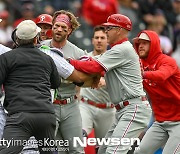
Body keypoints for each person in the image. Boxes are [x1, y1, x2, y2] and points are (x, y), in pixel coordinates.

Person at [69, 14, 152, 154]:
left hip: (133, 109)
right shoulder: (117, 49)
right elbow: (95, 68)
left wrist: (68, 61)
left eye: (109, 28)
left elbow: (93, 67)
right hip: (123, 109)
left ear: (119, 30)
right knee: (103, 151)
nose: (106, 31)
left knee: (114, 152)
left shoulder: (122, 49)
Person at [0, 20, 61, 154]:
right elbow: (56, 84)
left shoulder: (6, 58)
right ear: (36, 39)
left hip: (19, 116)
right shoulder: (47, 58)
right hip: (46, 115)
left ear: (17, 38)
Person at [41, 10, 87, 154]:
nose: (59, 30)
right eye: (56, 26)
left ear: (70, 30)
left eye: (63, 28)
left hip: (70, 105)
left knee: (76, 149)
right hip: (48, 105)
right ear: (52, 26)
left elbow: (85, 79)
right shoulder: (41, 48)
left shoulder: (78, 53)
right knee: (49, 149)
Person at [133, 30, 180, 154]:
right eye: (139, 43)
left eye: (145, 43)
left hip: (178, 122)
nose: (140, 46)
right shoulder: (139, 64)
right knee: (140, 152)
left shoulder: (167, 61)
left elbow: (162, 75)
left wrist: (142, 74)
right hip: (160, 122)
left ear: (154, 44)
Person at [79, 25, 115, 152]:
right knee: (79, 135)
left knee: (103, 149)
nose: (99, 40)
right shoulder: (85, 58)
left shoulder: (114, 60)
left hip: (107, 109)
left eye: (102, 38)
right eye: (97, 37)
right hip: (86, 105)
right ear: (92, 40)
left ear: (107, 40)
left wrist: (107, 81)